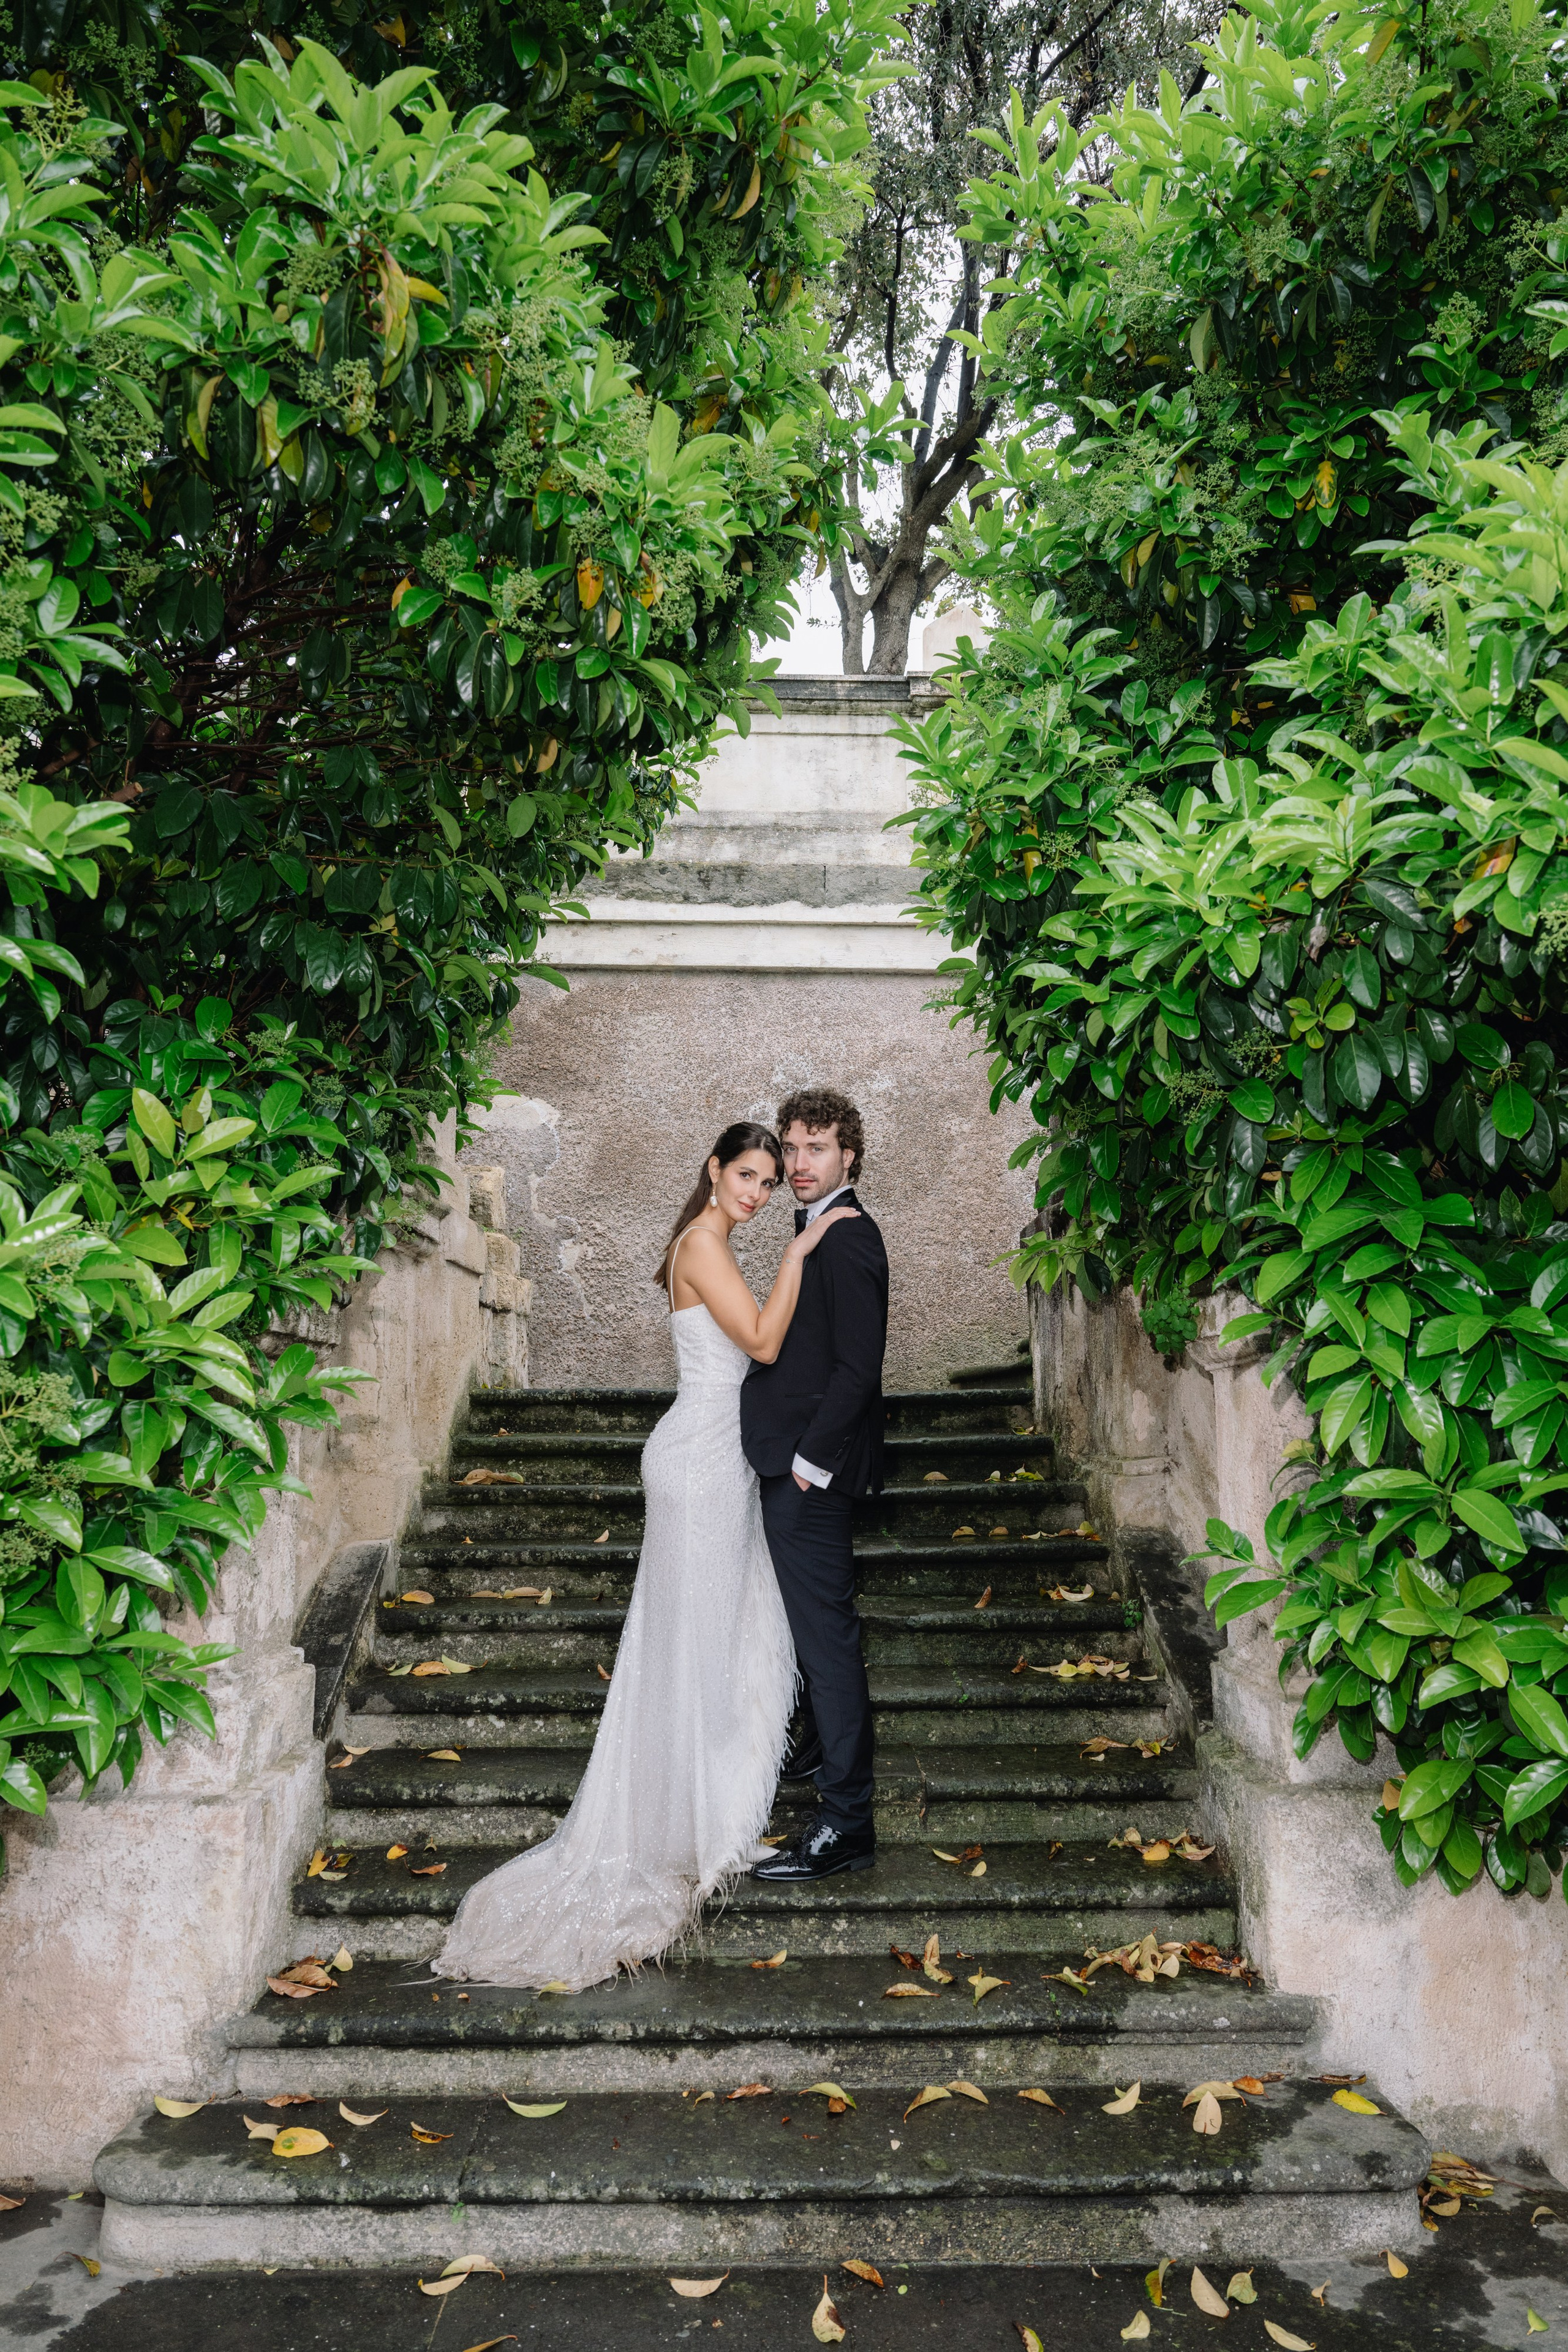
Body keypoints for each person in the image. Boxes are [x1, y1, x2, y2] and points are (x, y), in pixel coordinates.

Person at [432, 1121, 857, 1990]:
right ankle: (687, 1830)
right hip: (699, 1465)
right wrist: (803, 1252)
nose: (760, 1194)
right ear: (712, 1169)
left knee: (700, 1643)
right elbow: (765, 1344)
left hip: (712, 1458)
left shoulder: (705, 1240)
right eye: (749, 1175)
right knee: (694, 1644)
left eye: (771, 1184)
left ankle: (695, 1820)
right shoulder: (704, 1243)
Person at [742, 1088, 888, 1883]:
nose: (799, 1164)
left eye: (817, 1149)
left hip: (811, 1475)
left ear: (848, 1156)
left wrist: (807, 1466)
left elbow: (858, 1370)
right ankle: (808, 1749)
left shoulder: (849, 1238)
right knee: (810, 1636)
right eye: (792, 1149)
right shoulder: (816, 1231)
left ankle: (846, 1824)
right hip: (793, 1463)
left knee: (829, 1645)